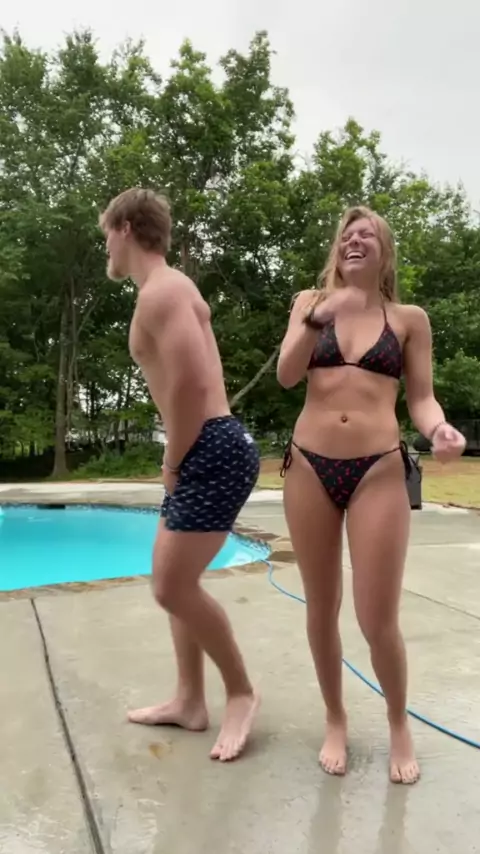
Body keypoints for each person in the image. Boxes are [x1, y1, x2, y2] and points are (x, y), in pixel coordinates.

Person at [277, 206, 465, 785]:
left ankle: (398, 722)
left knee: (376, 617)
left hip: (378, 469)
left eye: (368, 235)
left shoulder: (409, 320)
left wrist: (439, 429)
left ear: (384, 253)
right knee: (321, 606)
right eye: (348, 235)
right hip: (309, 467)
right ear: (339, 249)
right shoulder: (308, 303)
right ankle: (335, 719)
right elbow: (287, 375)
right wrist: (316, 320)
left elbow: (421, 398)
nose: (355, 240)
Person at [99, 188, 260, 762]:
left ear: (125, 227)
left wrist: (172, 461)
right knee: (179, 585)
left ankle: (240, 692)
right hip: (207, 444)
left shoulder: (162, 291)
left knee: (170, 586)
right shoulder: (165, 290)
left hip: (209, 445)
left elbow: (190, 387)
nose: (105, 248)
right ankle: (190, 700)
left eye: (105, 235)